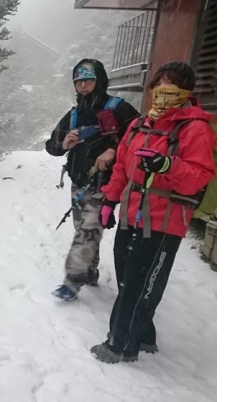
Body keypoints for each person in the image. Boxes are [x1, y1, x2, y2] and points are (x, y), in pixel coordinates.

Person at [90, 61, 216, 363]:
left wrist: (167, 165)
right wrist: (109, 201)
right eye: (158, 84)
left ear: (186, 91)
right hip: (130, 214)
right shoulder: (139, 124)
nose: (163, 91)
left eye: (171, 84)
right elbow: (121, 166)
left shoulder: (194, 128)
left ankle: (120, 344)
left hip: (164, 218)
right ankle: (144, 334)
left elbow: (200, 174)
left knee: (138, 284)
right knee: (127, 280)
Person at [45, 59, 139, 302]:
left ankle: (72, 281)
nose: (83, 85)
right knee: (84, 229)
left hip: (105, 185)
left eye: (88, 79)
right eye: (79, 81)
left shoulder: (120, 109)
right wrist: (62, 144)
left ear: (100, 80)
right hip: (79, 182)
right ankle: (89, 270)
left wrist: (114, 151)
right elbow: (52, 147)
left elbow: (140, 141)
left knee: (87, 229)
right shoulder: (74, 114)